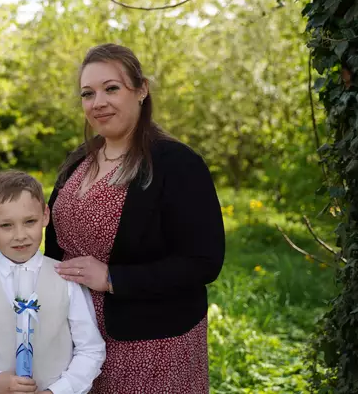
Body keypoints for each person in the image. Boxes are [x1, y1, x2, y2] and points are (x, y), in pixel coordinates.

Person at [44, 43, 225, 393]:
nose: (98, 102)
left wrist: (112, 278)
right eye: (88, 93)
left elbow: (203, 262)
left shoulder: (176, 163)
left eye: (111, 88)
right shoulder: (79, 159)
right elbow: (55, 248)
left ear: (141, 90)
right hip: (75, 341)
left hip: (150, 346)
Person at [0, 171, 105, 394]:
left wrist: (59, 390)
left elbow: (90, 350)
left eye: (30, 222)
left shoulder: (66, 279)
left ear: (45, 216)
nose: (20, 235)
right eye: (6, 225)